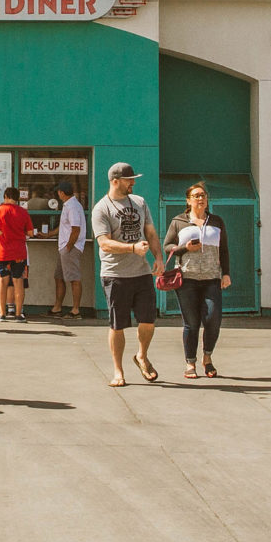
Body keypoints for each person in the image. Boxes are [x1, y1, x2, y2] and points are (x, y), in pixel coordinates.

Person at [94, 163, 161, 385]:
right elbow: (104, 243)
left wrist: (158, 259)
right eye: (129, 179)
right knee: (118, 325)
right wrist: (131, 248)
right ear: (115, 181)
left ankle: (141, 355)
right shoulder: (102, 208)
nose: (133, 182)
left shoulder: (140, 202)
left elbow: (150, 233)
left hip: (141, 273)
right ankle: (118, 371)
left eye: (133, 179)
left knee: (148, 321)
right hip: (115, 275)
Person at [164, 182, 229, 379]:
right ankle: (190, 363)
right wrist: (185, 249)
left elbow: (224, 250)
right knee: (191, 323)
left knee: (213, 319)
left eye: (203, 195)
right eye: (196, 196)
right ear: (188, 200)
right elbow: (167, 246)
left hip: (211, 278)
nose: (200, 199)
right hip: (187, 278)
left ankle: (207, 358)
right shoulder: (179, 221)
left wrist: (226, 273)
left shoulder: (217, 221)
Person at [0, 186, 33, 321]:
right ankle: (18, 314)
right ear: (17, 198)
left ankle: (2, 314)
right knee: (18, 282)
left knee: (2, 282)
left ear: (6, 196)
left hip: (2, 252)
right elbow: (31, 233)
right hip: (19, 252)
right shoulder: (23, 212)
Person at [52, 180, 88, 319]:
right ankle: (57, 308)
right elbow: (65, 227)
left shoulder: (72, 206)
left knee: (74, 279)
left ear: (61, 192)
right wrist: (48, 234)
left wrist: (68, 247)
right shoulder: (69, 205)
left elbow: (75, 229)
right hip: (65, 247)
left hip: (70, 248)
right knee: (59, 277)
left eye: (58, 192)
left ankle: (75, 310)